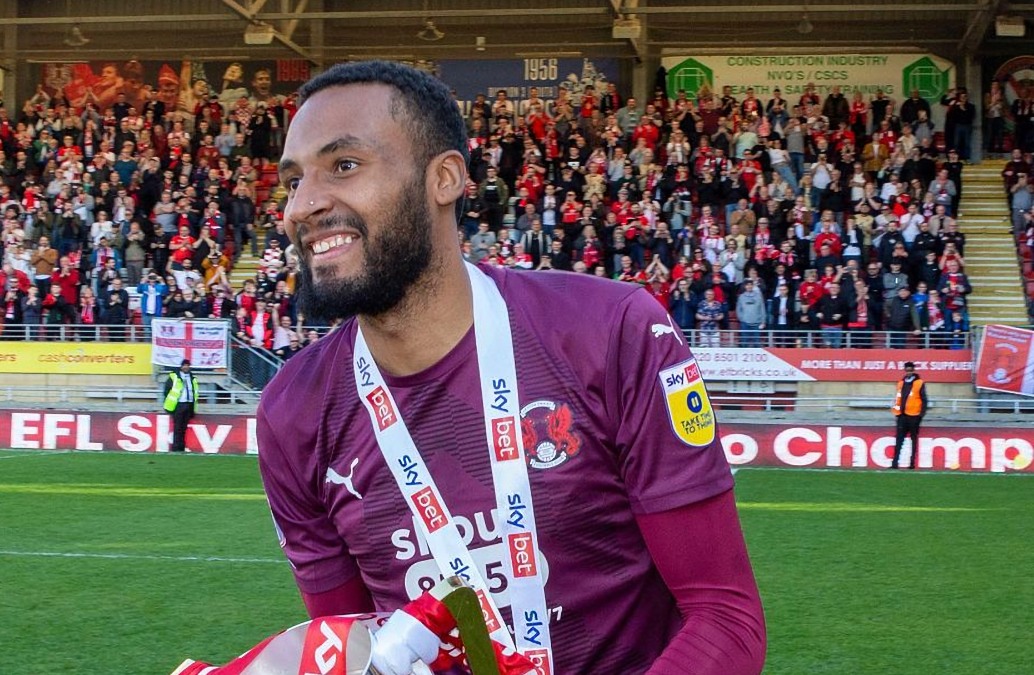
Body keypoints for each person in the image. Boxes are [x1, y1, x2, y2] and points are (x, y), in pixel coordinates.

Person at [259, 61, 765, 675]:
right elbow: (349, 646)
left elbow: (724, 616)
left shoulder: (608, 332)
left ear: (444, 178)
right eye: (292, 181)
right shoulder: (293, 413)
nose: (302, 206)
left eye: (344, 166)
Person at [891, 361, 928, 469]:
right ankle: (894, 463)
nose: (909, 372)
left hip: (914, 416)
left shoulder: (920, 383)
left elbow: (924, 400)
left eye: (910, 370)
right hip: (902, 416)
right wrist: (897, 413)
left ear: (913, 370)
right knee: (899, 440)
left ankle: (912, 463)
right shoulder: (900, 383)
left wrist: (920, 415)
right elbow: (898, 399)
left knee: (913, 440)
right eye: (907, 370)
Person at [163, 359, 198, 453]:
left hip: (189, 405)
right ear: (181, 366)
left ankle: (181, 447)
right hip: (178, 405)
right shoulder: (174, 376)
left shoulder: (192, 378)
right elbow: (166, 390)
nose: (186, 367)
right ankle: (175, 448)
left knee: (184, 428)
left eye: (188, 365)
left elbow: (194, 392)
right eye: (184, 365)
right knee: (177, 427)